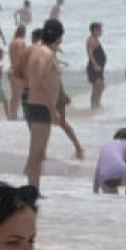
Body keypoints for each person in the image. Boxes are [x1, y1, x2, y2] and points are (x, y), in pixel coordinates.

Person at [23, 21, 84, 189]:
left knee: (36, 153)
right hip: (41, 106)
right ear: (58, 36)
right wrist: (52, 109)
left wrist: (61, 95)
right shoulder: (47, 54)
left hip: (35, 104)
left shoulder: (37, 49)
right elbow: (39, 81)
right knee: (37, 154)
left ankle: (31, 187)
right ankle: (32, 190)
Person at [85, 22, 107, 111]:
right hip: (94, 67)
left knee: (100, 86)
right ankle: (94, 105)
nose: (101, 31)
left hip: (98, 67)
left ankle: (97, 103)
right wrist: (95, 64)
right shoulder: (91, 40)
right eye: (99, 30)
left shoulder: (96, 39)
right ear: (94, 30)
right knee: (97, 86)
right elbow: (90, 54)